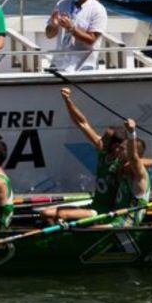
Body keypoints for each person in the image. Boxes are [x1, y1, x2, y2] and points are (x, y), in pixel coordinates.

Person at [40, 88, 125, 224]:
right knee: (46, 213)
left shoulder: (123, 161)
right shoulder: (103, 150)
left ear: (115, 146)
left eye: (105, 138)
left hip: (105, 212)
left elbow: (147, 162)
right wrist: (67, 100)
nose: (100, 139)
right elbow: (82, 122)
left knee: (59, 215)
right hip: (94, 205)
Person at [45, 0, 107, 72]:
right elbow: (49, 35)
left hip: (83, 66)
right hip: (59, 64)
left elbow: (91, 39)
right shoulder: (61, 4)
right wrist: (54, 26)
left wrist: (71, 28)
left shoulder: (98, 10)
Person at [96, 120, 150, 228]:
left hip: (126, 223)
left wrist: (131, 132)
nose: (118, 150)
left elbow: (133, 157)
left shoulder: (139, 173)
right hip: (115, 217)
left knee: (90, 230)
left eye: (122, 149)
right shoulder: (122, 167)